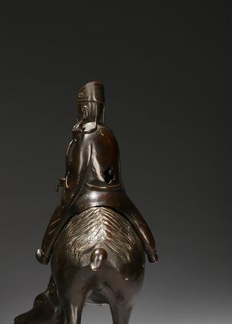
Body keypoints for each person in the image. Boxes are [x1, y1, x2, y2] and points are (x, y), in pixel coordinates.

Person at [35, 81, 159, 265]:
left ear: (84, 109)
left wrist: (67, 189)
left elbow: (79, 174)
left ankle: (44, 253)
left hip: (87, 195)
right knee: (136, 217)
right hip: (115, 194)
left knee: (59, 216)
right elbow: (113, 170)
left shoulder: (85, 134)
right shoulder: (109, 134)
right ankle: (151, 250)